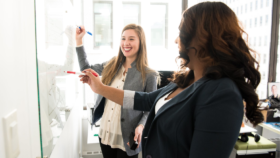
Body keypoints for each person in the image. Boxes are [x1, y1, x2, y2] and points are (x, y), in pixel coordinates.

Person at [79, 2, 264, 158]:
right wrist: (100, 88)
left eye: (181, 32)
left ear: (202, 38)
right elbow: (145, 100)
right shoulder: (185, 80)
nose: (176, 40)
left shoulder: (222, 93)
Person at [75, 24, 158, 158]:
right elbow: (86, 69)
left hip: (128, 137)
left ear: (141, 42)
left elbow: (151, 107)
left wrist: (141, 125)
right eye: (123, 38)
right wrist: (79, 41)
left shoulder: (149, 74)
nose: (126, 43)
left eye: (131, 39)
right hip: (105, 133)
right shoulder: (112, 64)